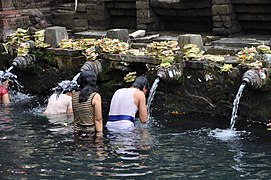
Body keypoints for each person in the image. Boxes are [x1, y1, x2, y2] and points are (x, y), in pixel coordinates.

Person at [72, 70, 103, 137]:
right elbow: (98, 119)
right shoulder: (95, 96)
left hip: (76, 132)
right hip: (90, 132)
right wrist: (100, 136)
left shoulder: (74, 94)